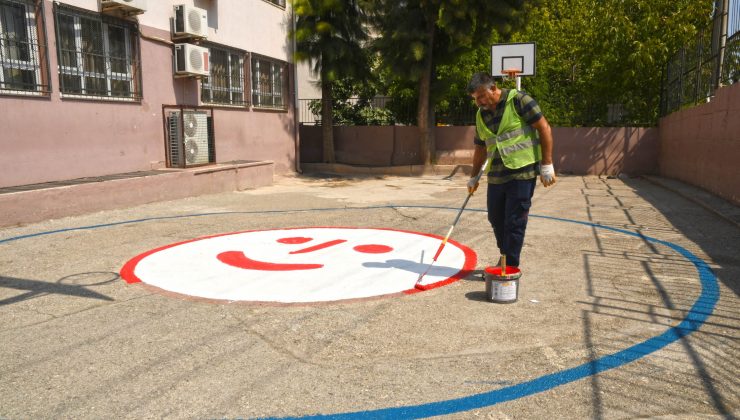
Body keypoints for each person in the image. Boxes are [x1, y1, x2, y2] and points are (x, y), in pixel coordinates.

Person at [466, 72, 556, 268]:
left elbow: (544, 128)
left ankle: (509, 266)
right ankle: (506, 255)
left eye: (481, 96)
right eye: (475, 99)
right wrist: (473, 178)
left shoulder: (519, 100)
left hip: (522, 172)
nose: (479, 102)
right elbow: (480, 148)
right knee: (496, 218)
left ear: (493, 88)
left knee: (514, 221)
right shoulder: (481, 114)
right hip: (497, 175)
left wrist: (546, 164)